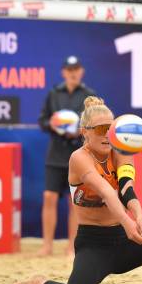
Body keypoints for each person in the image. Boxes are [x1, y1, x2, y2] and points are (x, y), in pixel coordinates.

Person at [9, 96, 142, 284]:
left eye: (111, 128)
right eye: (101, 129)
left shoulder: (121, 152)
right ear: (85, 132)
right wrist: (128, 222)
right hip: (93, 245)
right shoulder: (79, 158)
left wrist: (139, 216)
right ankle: (39, 282)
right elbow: (106, 192)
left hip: (125, 241)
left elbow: (126, 188)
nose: (107, 134)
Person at [37, 55, 96, 257]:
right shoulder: (54, 94)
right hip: (56, 153)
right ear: (64, 72)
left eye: (76, 69)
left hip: (79, 154)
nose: (73, 72)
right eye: (69, 69)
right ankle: (46, 246)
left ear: (81, 71)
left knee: (75, 202)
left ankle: (72, 247)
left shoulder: (89, 96)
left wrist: (80, 131)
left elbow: (96, 124)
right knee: (49, 197)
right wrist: (53, 124)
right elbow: (42, 121)